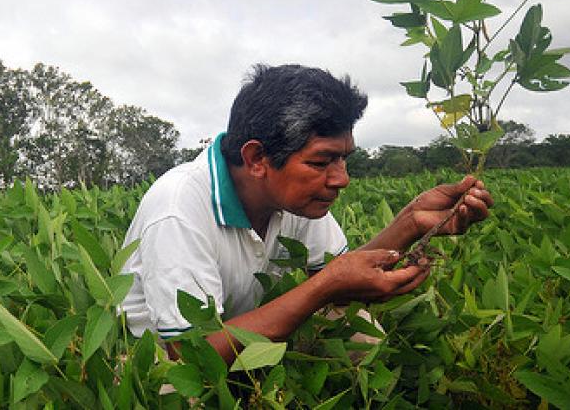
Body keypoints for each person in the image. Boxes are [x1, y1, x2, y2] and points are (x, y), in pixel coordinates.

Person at [118, 64, 493, 364]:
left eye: (344, 158)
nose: (341, 179)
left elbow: (340, 273)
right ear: (256, 159)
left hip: (252, 340)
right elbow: (191, 353)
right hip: (166, 361)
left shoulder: (294, 197)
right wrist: (324, 286)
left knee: (356, 331)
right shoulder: (178, 207)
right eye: (320, 161)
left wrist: (411, 221)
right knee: (179, 390)